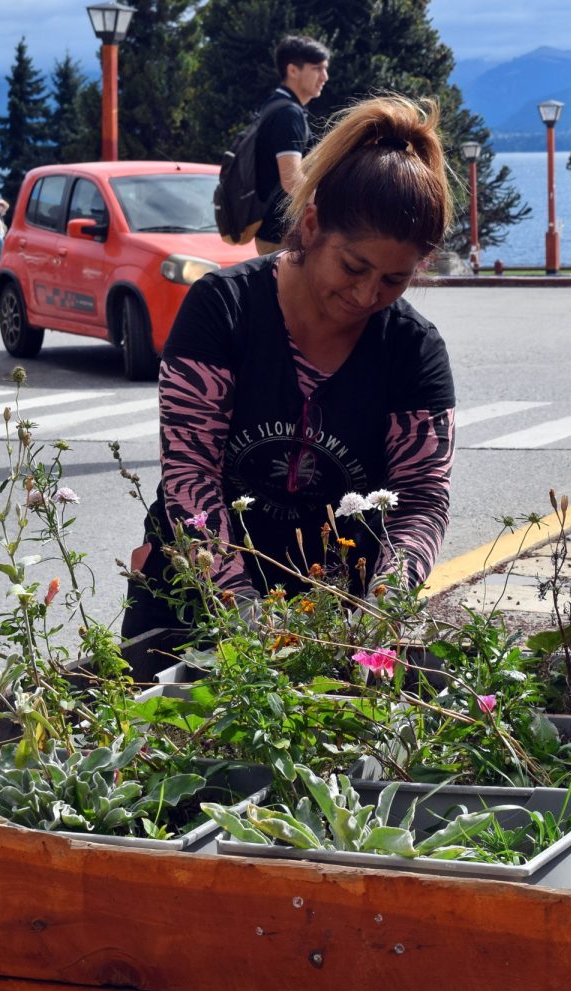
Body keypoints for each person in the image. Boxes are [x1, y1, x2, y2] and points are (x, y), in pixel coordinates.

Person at [123, 96, 456, 638]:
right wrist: (247, 612)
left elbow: (420, 498)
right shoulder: (222, 309)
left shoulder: (413, 349)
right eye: (353, 267)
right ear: (311, 223)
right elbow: (190, 475)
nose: (368, 294)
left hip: (334, 617)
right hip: (191, 600)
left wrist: (386, 606)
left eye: (394, 280)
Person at [253, 35, 331, 256]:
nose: (324, 76)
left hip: (274, 232)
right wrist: (332, 207)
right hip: (284, 236)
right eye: (317, 68)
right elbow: (291, 180)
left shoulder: (274, 105)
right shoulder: (289, 114)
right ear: (293, 70)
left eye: (325, 69)